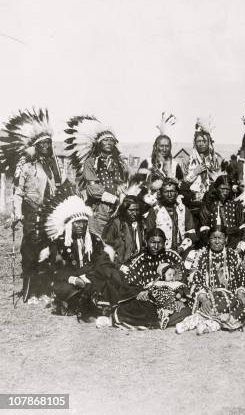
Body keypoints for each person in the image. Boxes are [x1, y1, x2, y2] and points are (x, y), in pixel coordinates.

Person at [0, 108, 64, 301]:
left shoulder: (54, 166)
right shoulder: (26, 165)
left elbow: (57, 189)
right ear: (35, 146)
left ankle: (44, 290)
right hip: (30, 212)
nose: (45, 145)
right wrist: (17, 213)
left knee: (48, 249)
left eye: (48, 143)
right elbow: (18, 192)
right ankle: (30, 292)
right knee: (30, 250)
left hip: (48, 214)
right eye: (42, 143)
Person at [34, 183, 117, 317]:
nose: (81, 226)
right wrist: (74, 279)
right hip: (69, 281)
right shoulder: (60, 243)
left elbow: (100, 261)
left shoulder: (93, 241)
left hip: (89, 277)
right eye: (77, 223)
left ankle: (92, 303)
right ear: (69, 225)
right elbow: (57, 270)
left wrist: (90, 276)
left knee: (107, 283)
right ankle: (76, 304)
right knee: (68, 289)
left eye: (84, 223)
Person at [178, 224, 245, 334]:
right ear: (209, 240)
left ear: (226, 240)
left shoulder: (233, 255)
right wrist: (203, 298)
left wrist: (241, 293)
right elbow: (195, 280)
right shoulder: (201, 255)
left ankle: (212, 323)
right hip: (209, 296)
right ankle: (194, 321)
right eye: (214, 238)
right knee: (220, 303)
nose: (217, 241)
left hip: (231, 297)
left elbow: (241, 277)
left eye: (220, 238)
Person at [65, 115, 128, 235]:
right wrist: (114, 199)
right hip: (98, 209)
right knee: (98, 242)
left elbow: (121, 184)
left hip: (116, 210)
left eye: (111, 140)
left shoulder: (117, 163)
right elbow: (93, 189)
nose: (109, 142)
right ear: (99, 143)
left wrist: (122, 197)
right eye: (105, 140)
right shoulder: (91, 162)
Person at [112, 229, 186, 329]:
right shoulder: (140, 260)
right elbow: (130, 283)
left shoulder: (172, 257)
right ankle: (160, 319)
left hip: (171, 298)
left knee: (184, 308)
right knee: (135, 307)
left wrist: (178, 294)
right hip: (149, 300)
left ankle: (159, 318)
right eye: (152, 242)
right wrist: (140, 292)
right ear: (146, 242)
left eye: (159, 243)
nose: (156, 246)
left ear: (165, 243)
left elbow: (183, 279)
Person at [198, 175, 245, 253]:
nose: (225, 192)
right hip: (213, 245)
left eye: (227, 189)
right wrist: (210, 246)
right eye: (222, 189)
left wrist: (240, 247)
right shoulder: (208, 206)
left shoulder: (236, 206)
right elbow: (204, 229)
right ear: (216, 189)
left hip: (234, 245)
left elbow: (243, 228)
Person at [144, 178, 197, 254]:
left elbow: (191, 232)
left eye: (172, 191)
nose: (169, 195)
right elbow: (149, 235)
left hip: (182, 251)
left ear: (176, 193)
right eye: (166, 192)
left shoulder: (183, 209)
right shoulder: (155, 211)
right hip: (160, 252)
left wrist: (182, 248)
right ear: (161, 193)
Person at [183, 118, 224, 213]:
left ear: (209, 142)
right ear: (195, 142)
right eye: (199, 141)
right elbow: (183, 184)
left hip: (212, 202)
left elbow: (221, 181)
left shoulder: (217, 159)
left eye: (204, 141)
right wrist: (194, 172)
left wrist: (212, 174)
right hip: (193, 203)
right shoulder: (188, 160)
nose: (201, 144)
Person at [102, 195, 147, 266]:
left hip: (137, 264)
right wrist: (119, 266)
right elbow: (106, 248)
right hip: (119, 265)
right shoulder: (115, 224)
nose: (135, 214)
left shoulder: (141, 223)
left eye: (137, 210)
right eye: (131, 210)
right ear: (124, 210)